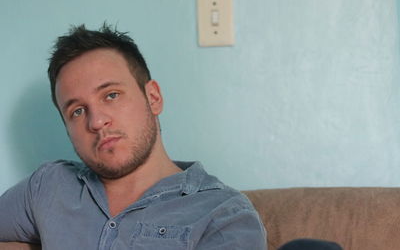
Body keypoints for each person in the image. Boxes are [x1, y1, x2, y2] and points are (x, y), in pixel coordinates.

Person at [0, 24, 266, 249]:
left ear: (153, 98)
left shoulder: (222, 214)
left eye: (111, 95)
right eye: (77, 111)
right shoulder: (48, 187)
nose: (97, 121)